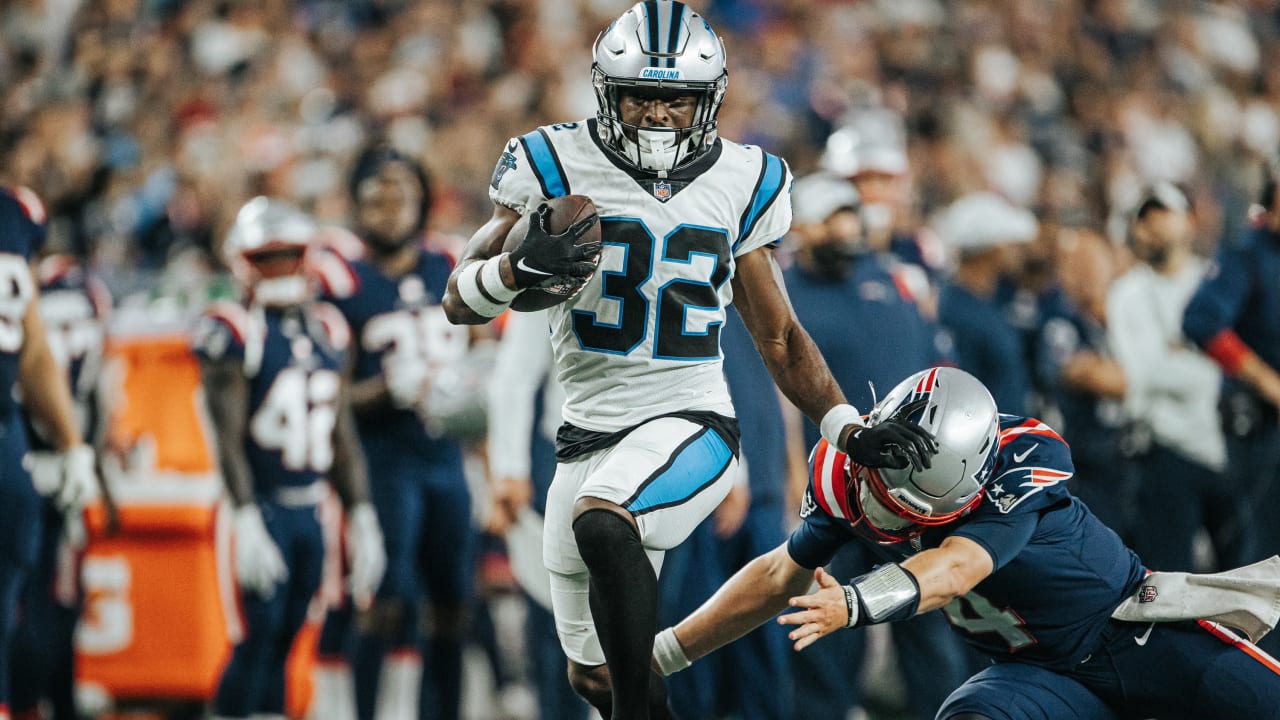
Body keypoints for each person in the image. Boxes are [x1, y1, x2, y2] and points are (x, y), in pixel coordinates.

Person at [441, 3, 935, 717]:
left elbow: (779, 336)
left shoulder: (744, 177)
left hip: (693, 419)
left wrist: (846, 427)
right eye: (641, 94)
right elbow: (460, 300)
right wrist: (515, 269)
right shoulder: (551, 161)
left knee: (604, 521)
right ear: (607, 92)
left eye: (677, 97)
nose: (658, 114)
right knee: (598, 677)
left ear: (710, 99)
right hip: (584, 434)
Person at [653, 365, 1280, 720]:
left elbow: (954, 568)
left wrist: (854, 602)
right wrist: (661, 654)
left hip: (1134, 633)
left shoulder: (1022, 460)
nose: (894, 519)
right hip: (1035, 671)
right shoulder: (850, 474)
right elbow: (775, 577)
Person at [781, 172, 967, 720]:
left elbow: (938, 373)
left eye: (848, 217)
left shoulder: (899, 280)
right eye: (830, 218)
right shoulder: (782, 290)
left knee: (926, 618)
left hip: (912, 483)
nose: (844, 229)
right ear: (804, 226)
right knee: (824, 624)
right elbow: (779, 396)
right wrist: (791, 469)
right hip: (831, 483)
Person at [195, 197, 385, 720]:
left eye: (288, 254)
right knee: (255, 638)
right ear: (243, 261)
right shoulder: (234, 329)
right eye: (267, 256)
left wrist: (362, 513)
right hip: (259, 507)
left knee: (288, 638)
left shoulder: (328, 326)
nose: (279, 268)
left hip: (311, 509)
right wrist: (245, 515)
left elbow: (341, 434)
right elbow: (225, 438)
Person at [315, 145, 478, 720]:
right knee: (383, 605)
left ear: (422, 201)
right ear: (357, 205)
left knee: (454, 605)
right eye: (375, 197)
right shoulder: (342, 279)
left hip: (446, 458)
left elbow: (485, 356)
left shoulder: (449, 264)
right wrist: (387, 387)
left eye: (400, 195)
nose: (388, 209)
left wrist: (471, 388)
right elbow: (328, 397)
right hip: (382, 463)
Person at [1110, 183, 1251, 571]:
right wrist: (1211, 359)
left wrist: (1186, 353)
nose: (1153, 227)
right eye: (1145, 219)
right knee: (1169, 581)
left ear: (1190, 220)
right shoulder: (1128, 292)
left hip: (1229, 447)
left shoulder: (1217, 278)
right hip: (1166, 450)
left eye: (1162, 216)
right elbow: (1143, 371)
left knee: (1251, 574)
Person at [0, 186, 99, 720]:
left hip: (6, 433)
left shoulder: (16, 213)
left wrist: (71, 442)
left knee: (13, 610)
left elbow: (31, 345)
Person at [1183, 163, 1280, 659]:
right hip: (1261, 431)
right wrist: (1266, 381)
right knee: (1264, 559)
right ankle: (1254, 672)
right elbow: (1200, 319)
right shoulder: (1248, 253)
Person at [13, 246, 113, 720]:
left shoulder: (28, 297)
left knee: (28, 600)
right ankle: (55, 704)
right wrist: (85, 457)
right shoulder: (90, 296)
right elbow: (94, 394)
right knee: (55, 600)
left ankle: (33, 704)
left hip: (26, 457)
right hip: (65, 460)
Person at [1037, 226, 1131, 536]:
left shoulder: (1122, 318)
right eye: (1077, 265)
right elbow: (1106, 380)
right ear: (1062, 272)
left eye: (1095, 262)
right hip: (1086, 464)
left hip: (1129, 460)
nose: (1087, 273)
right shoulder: (1058, 321)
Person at [935, 192, 1038, 416]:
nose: (1019, 253)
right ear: (992, 250)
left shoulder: (993, 299)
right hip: (987, 442)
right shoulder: (957, 310)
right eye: (1012, 245)